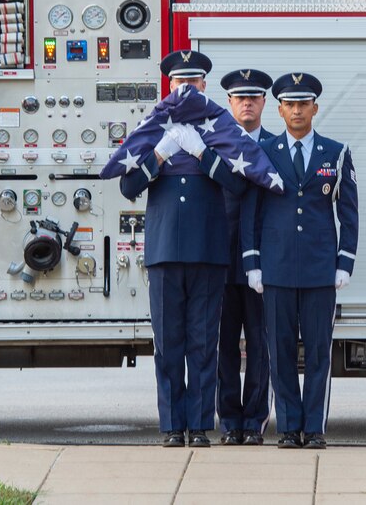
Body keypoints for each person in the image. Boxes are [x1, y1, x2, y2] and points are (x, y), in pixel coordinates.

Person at [117, 50, 248, 448]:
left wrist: (202, 153)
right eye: (180, 84)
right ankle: (174, 425)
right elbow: (127, 186)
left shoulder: (220, 132)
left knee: (203, 345)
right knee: (169, 344)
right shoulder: (154, 131)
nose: (187, 89)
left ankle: (199, 426)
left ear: (204, 87)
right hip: (165, 254)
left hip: (208, 253)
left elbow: (239, 184)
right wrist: (160, 153)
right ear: (169, 88)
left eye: (193, 83)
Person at [240, 72, 359, 450]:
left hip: (320, 270)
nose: (296, 110)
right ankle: (289, 428)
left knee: (320, 354)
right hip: (275, 270)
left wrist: (345, 263)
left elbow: (350, 213)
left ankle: (315, 428)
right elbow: (251, 213)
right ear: (279, 110)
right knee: (281, 352)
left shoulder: (336, 153)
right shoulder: (265, 154)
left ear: (314, 108)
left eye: (303, 104)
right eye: (290, 104)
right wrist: (252, 264)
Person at [216, 69, 275, 446]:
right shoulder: (214, 145)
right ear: (229, 103)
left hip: (264, 264)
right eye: (240, 98)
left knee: (259, 344)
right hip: (219, 262)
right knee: (222, 345)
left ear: (265, 103)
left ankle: (254, 421)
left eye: (254, 97)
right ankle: (229, 421)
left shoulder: (276, 146)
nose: (247, 103)